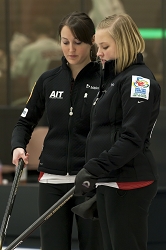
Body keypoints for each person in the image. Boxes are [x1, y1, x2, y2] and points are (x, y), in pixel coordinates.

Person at [11, 11, 104, 250]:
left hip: (90, 180)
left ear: (92, 41)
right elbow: (24, 122)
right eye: (65, 42)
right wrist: (18, 146)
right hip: (51, 179)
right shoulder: (48, 80)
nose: (70, 49)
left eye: (78, 42)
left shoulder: (106, 79)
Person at [74, 13, 161, 250]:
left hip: (128, 180)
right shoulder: (113, 79)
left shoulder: (138, 81)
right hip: (109, 179)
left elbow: (132, 138)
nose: (99, 53)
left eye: (105, 46)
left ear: (123, 44)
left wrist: (93, 168)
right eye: (97, 47)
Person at [11, 17, 62, 93]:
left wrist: (13, 58)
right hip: (63, 97)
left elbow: (15, 73)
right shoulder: (63, 49)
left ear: (33, 32)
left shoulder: (30, 50)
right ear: (51, 31)